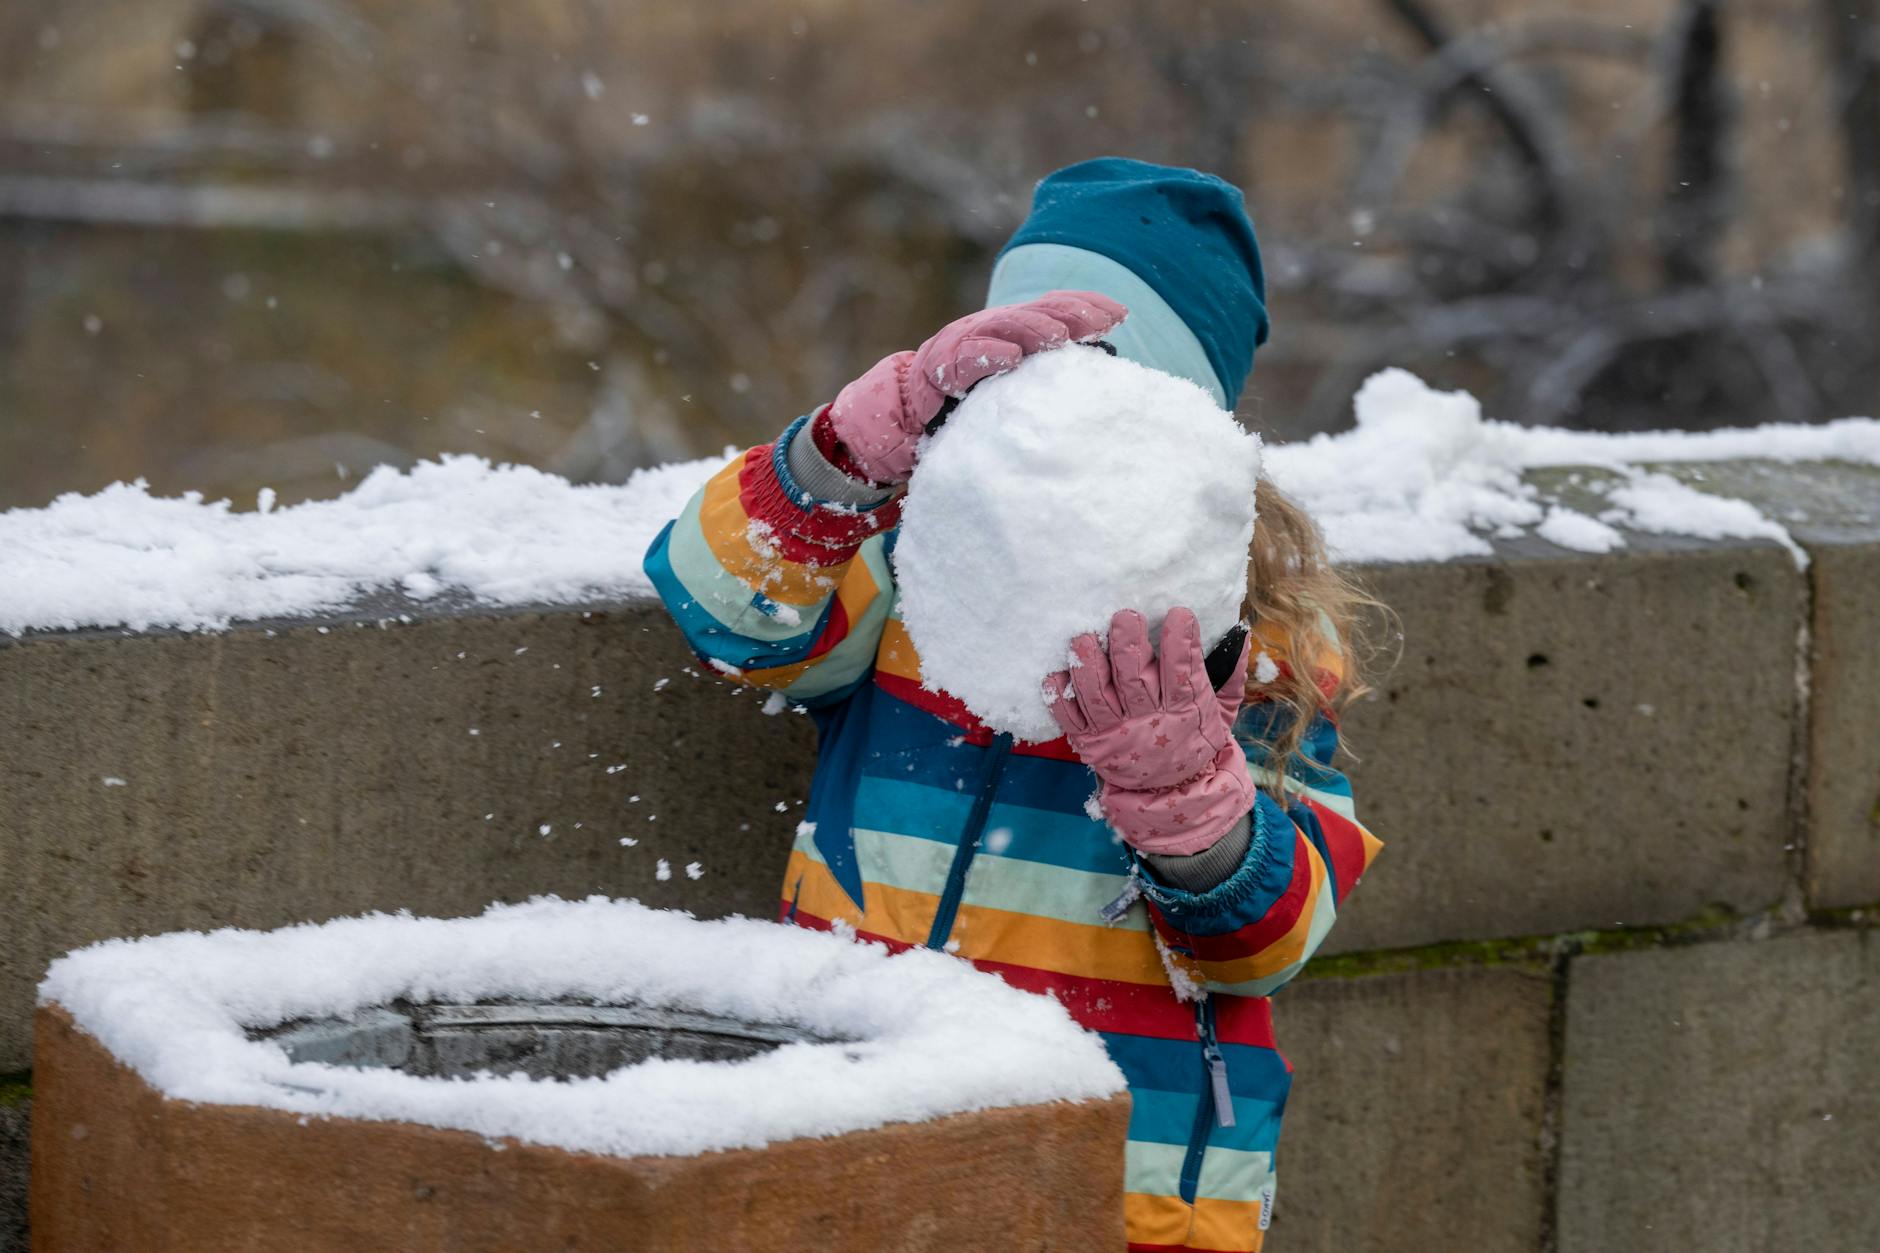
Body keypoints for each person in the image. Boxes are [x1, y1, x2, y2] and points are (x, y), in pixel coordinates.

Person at [644, 157, 1382, 1253]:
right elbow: (727, 613)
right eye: (1022, 367)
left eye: (1097, 380)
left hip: (1118, 1183)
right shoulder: (906, 576)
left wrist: (1185, 801)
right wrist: (845, 453)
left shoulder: (1252, 651)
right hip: (858, 1134)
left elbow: (1267, 942)